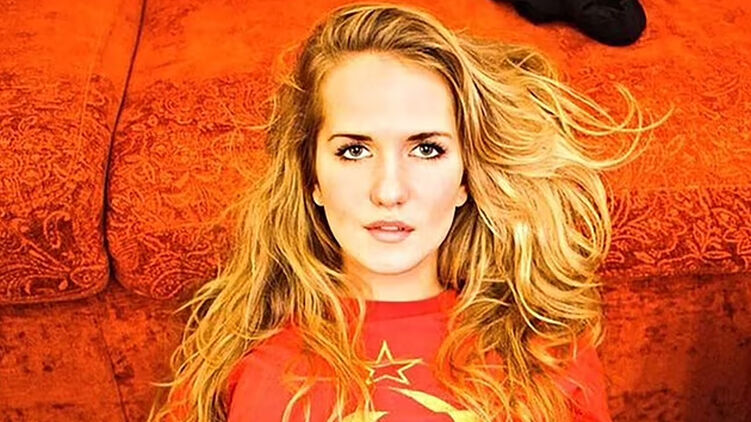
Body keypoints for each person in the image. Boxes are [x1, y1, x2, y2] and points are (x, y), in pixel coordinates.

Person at [147, 2, 673, 422]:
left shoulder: (544, 349)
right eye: (355, 150)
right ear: (312, 177)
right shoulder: (236, 347)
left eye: (426, 149)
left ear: (466, 177)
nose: (389, 190)